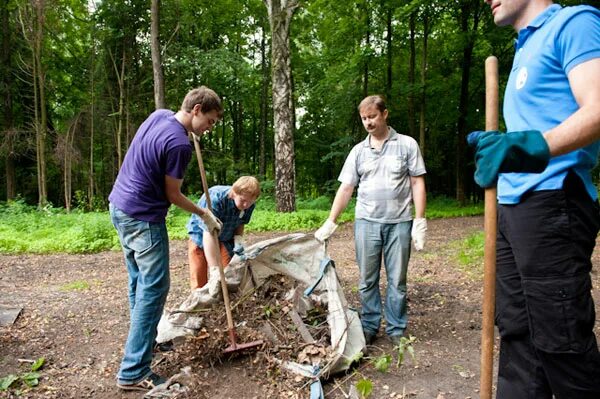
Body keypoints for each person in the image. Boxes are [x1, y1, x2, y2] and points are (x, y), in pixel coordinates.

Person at [472, 1, 600, 397]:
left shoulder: (573, 22)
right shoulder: (524, 47)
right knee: (517, 336)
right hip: (512, 209)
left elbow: (597, 109)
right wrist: (503, 149)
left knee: (560, 340)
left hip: (553, 202)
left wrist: (526, 147)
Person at [108, 86, 224, 391]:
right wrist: (203, 214)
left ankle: (145, 344)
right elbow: (172, 195)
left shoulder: (160, 115)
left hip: (119, 206)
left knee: (139, 282)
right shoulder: (179, 145)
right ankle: (133, 370)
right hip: (143, 217)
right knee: (156, 287)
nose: (209, 129)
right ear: (197, 109)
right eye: (210, 122)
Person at [315, 95, 427, 346]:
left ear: (385, 114)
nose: (368, 122)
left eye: (372, 116)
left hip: (399, 222)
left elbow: (417, 182)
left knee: (397, 280)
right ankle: (369, 325)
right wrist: (331, 221)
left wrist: (419, 220)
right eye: (364, 118)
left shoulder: (407, 145)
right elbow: (346, 188)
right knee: (367, 279)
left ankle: (396, 329)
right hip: (366, 223)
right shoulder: (358, 151)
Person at [187, 176, 260, 291]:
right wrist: (214, 269)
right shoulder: (215, 198)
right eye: (243, 200)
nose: (246, 205)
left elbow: (241, 222)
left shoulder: (249, 204)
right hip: (202, 235)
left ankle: (222, 302)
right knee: (199, 275)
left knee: (228, 274)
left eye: (250, 202)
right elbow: (209, 233)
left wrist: (238, 239)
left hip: (226, 237)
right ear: (234, 193)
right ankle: (199, 303)